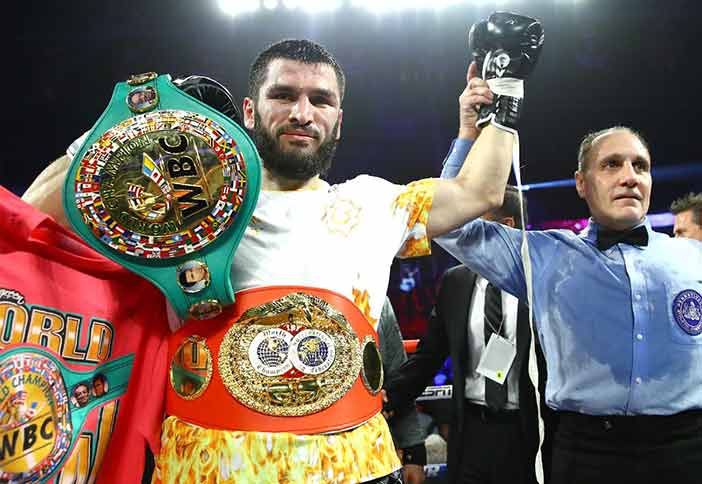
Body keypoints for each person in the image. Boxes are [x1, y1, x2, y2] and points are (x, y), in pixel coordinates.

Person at [153, 29, 541, 483]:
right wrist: (143, 130)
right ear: (248, 111)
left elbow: (480, 191)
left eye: (320, 100)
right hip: (211, 466)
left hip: (354, 466)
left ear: (339, 119)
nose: (302, 113)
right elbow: (56, 202)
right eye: (283, 95)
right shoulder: (189, 207)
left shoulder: (372, 203)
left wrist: (507, 92)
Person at [437, 103, 702, 483]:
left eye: (639, 166)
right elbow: (451, 227)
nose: (629, 177)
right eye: (612, 164)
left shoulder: (693, 256)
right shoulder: (545, 255)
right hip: (588, 454)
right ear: (582, 183)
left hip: (688, 448)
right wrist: (468, 136)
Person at [385, 187, 547, 484]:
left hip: (528, 433)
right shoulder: (456, 282)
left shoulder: (544, 283)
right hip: (471, 433)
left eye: (473, 221)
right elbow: (428, 357)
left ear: (505, 226)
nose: (462, 231)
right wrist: (385, 398)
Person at [378, 297, 427, 484]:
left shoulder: (375, 298)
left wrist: (413, 453)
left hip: (370, 449)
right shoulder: (282, 298)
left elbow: (397, 373)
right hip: (292, 450)